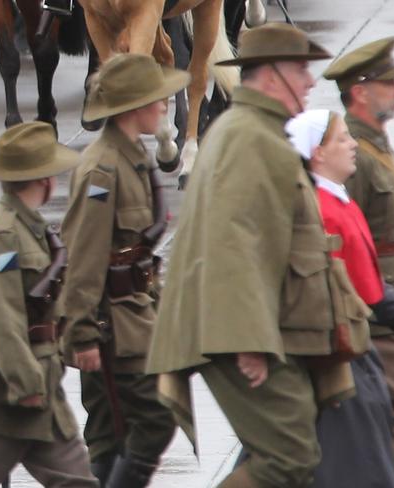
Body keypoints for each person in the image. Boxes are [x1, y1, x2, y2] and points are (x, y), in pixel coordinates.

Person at [147, 23, 371, 488]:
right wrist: (250, 341)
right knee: (289, 455)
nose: (311, 82)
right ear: (271, 75)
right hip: (235, 331)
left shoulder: (256, 131)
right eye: (300, 69)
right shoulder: (250, 137)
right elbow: (234, 242)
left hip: (250, 325)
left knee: (294, 451)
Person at [61, 53, 190, 487]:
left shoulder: (133, 156)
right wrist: (81, 332)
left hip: (133, 314)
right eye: (158, 99)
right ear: (135, 106)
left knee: (109, 435)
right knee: (155, 418)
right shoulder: (103, 168)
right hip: (112, 325)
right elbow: (83, 254)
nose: (164, 106)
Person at [0, 121, 98, 488]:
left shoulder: (28, 228)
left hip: (39, 381)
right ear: (44, 179)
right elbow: (2, 317)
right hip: (3, 391)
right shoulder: (3, 236)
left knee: (77, 482)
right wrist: (26, 382)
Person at [285, 109, 394, 487]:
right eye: (342, 139)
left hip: (355, 340)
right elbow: (369, 293)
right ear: (317, 151)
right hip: (339, 349)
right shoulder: (321, 207)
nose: (353, 145)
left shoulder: (338, 200)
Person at [322, 36, 394, 454]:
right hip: (376, 316)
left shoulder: (376, 146)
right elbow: (345, 239)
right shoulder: (351, 154)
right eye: (389, 84)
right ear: (360, 92)